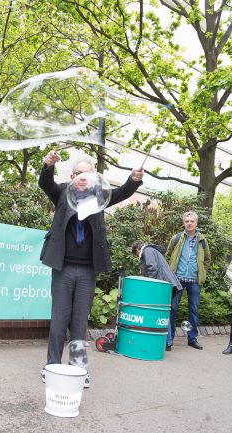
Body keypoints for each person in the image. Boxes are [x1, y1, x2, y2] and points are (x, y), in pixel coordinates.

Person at [39, 151, 143, 388]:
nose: (82, 178)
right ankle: (51, 366)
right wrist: (48, 165)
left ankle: (78, 370)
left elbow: (122, 192)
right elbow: (46, 184)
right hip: (63, 267)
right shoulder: (63, 193)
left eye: (88, 174)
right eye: (78, 174)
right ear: (72, 176)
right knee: (59, 319)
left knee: (79, 321)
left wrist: (134, 179)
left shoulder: (99, 197)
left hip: (87, 270)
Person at [165, 211, 211, 351]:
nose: (189, 223)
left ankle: (192, 338)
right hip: (177, 279)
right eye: (187, 221)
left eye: (192, 221)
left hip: (194, 281)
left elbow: (207, 259)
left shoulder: (202, 240)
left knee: (194, 310)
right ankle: (169, 340)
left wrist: (201, 273)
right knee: (172, 308)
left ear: (196, 223)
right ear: (184, 223)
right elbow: (168, 256)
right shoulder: (177, 238)